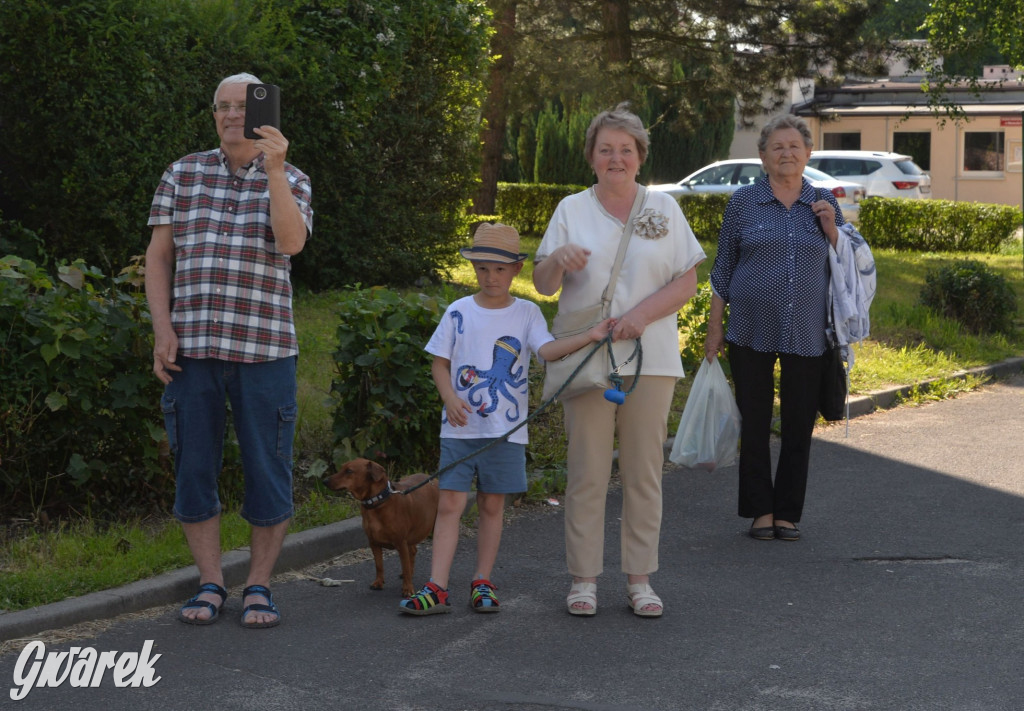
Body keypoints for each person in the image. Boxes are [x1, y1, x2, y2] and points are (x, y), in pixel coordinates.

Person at [145, 72, 313, 628]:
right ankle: (212, 582)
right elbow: (159, 256)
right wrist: (161, 328)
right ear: (213, 113)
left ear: (267, 111)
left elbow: (291, 243)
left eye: (245, 105)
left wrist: (273, 172)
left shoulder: (291, 178)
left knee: (268, 470)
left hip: (264, 351)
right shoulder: (182, 173)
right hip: (191, 350)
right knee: (194, 467)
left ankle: (259, 584)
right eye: (224, 106)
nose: (233, 114)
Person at [533, 104, 706, 617]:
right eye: (605, 149)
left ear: (640, 157)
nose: (616, 158)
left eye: (625, 150)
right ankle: (583, 579)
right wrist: (556, 262)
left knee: (643, 472)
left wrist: (640, 316)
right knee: (586, 470)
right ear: (591, 157)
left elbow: (687, 281)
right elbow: (543, 286)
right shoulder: (571, 209)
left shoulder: (664, 209)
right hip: (587, 356)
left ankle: (640, 580)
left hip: (651, 357)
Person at [399, 223, 614, 615]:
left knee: (492, 506)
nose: (490, 277)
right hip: (460, 430)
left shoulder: (527, 313)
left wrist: (590, 336)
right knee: (449, 504)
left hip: (505, 434)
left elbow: (547, 351)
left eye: (499, 269)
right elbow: (439, 362)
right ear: (474, 269)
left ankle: (482, 581)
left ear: (516, 270)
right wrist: (449, 398)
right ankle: (437, 586)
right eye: (482, 268)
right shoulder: (458, 311)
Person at [704, 114, 842, 543]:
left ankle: (787, 513)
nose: (786, 153)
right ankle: (760, 510)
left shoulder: (824, 202)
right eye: (777, 147)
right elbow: (723, 267)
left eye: (794, 146)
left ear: (808, 154)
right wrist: (714, 327)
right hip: (749, 327)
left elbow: (847, 267)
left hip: (807, 329)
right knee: (757, 421)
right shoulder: (743, 203)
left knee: (800, 422)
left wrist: (832, 230)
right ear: (762, 156)